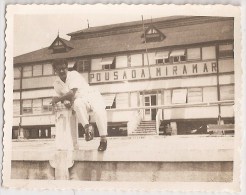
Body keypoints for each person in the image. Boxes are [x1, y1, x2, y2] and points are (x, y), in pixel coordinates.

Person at [50, 59, 107, 151]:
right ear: (55, 70)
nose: (61, 71)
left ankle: (103, 141)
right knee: (77, 104)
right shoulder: (56, 84)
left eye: (64, 68)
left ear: (67, 68)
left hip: (92, 96)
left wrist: (58, 99)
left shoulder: (73, 74)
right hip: (81, 100)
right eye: (59, 69)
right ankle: (87, 128)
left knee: (98, 112)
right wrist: (64, 101)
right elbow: (62, 96)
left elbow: (71, 93)